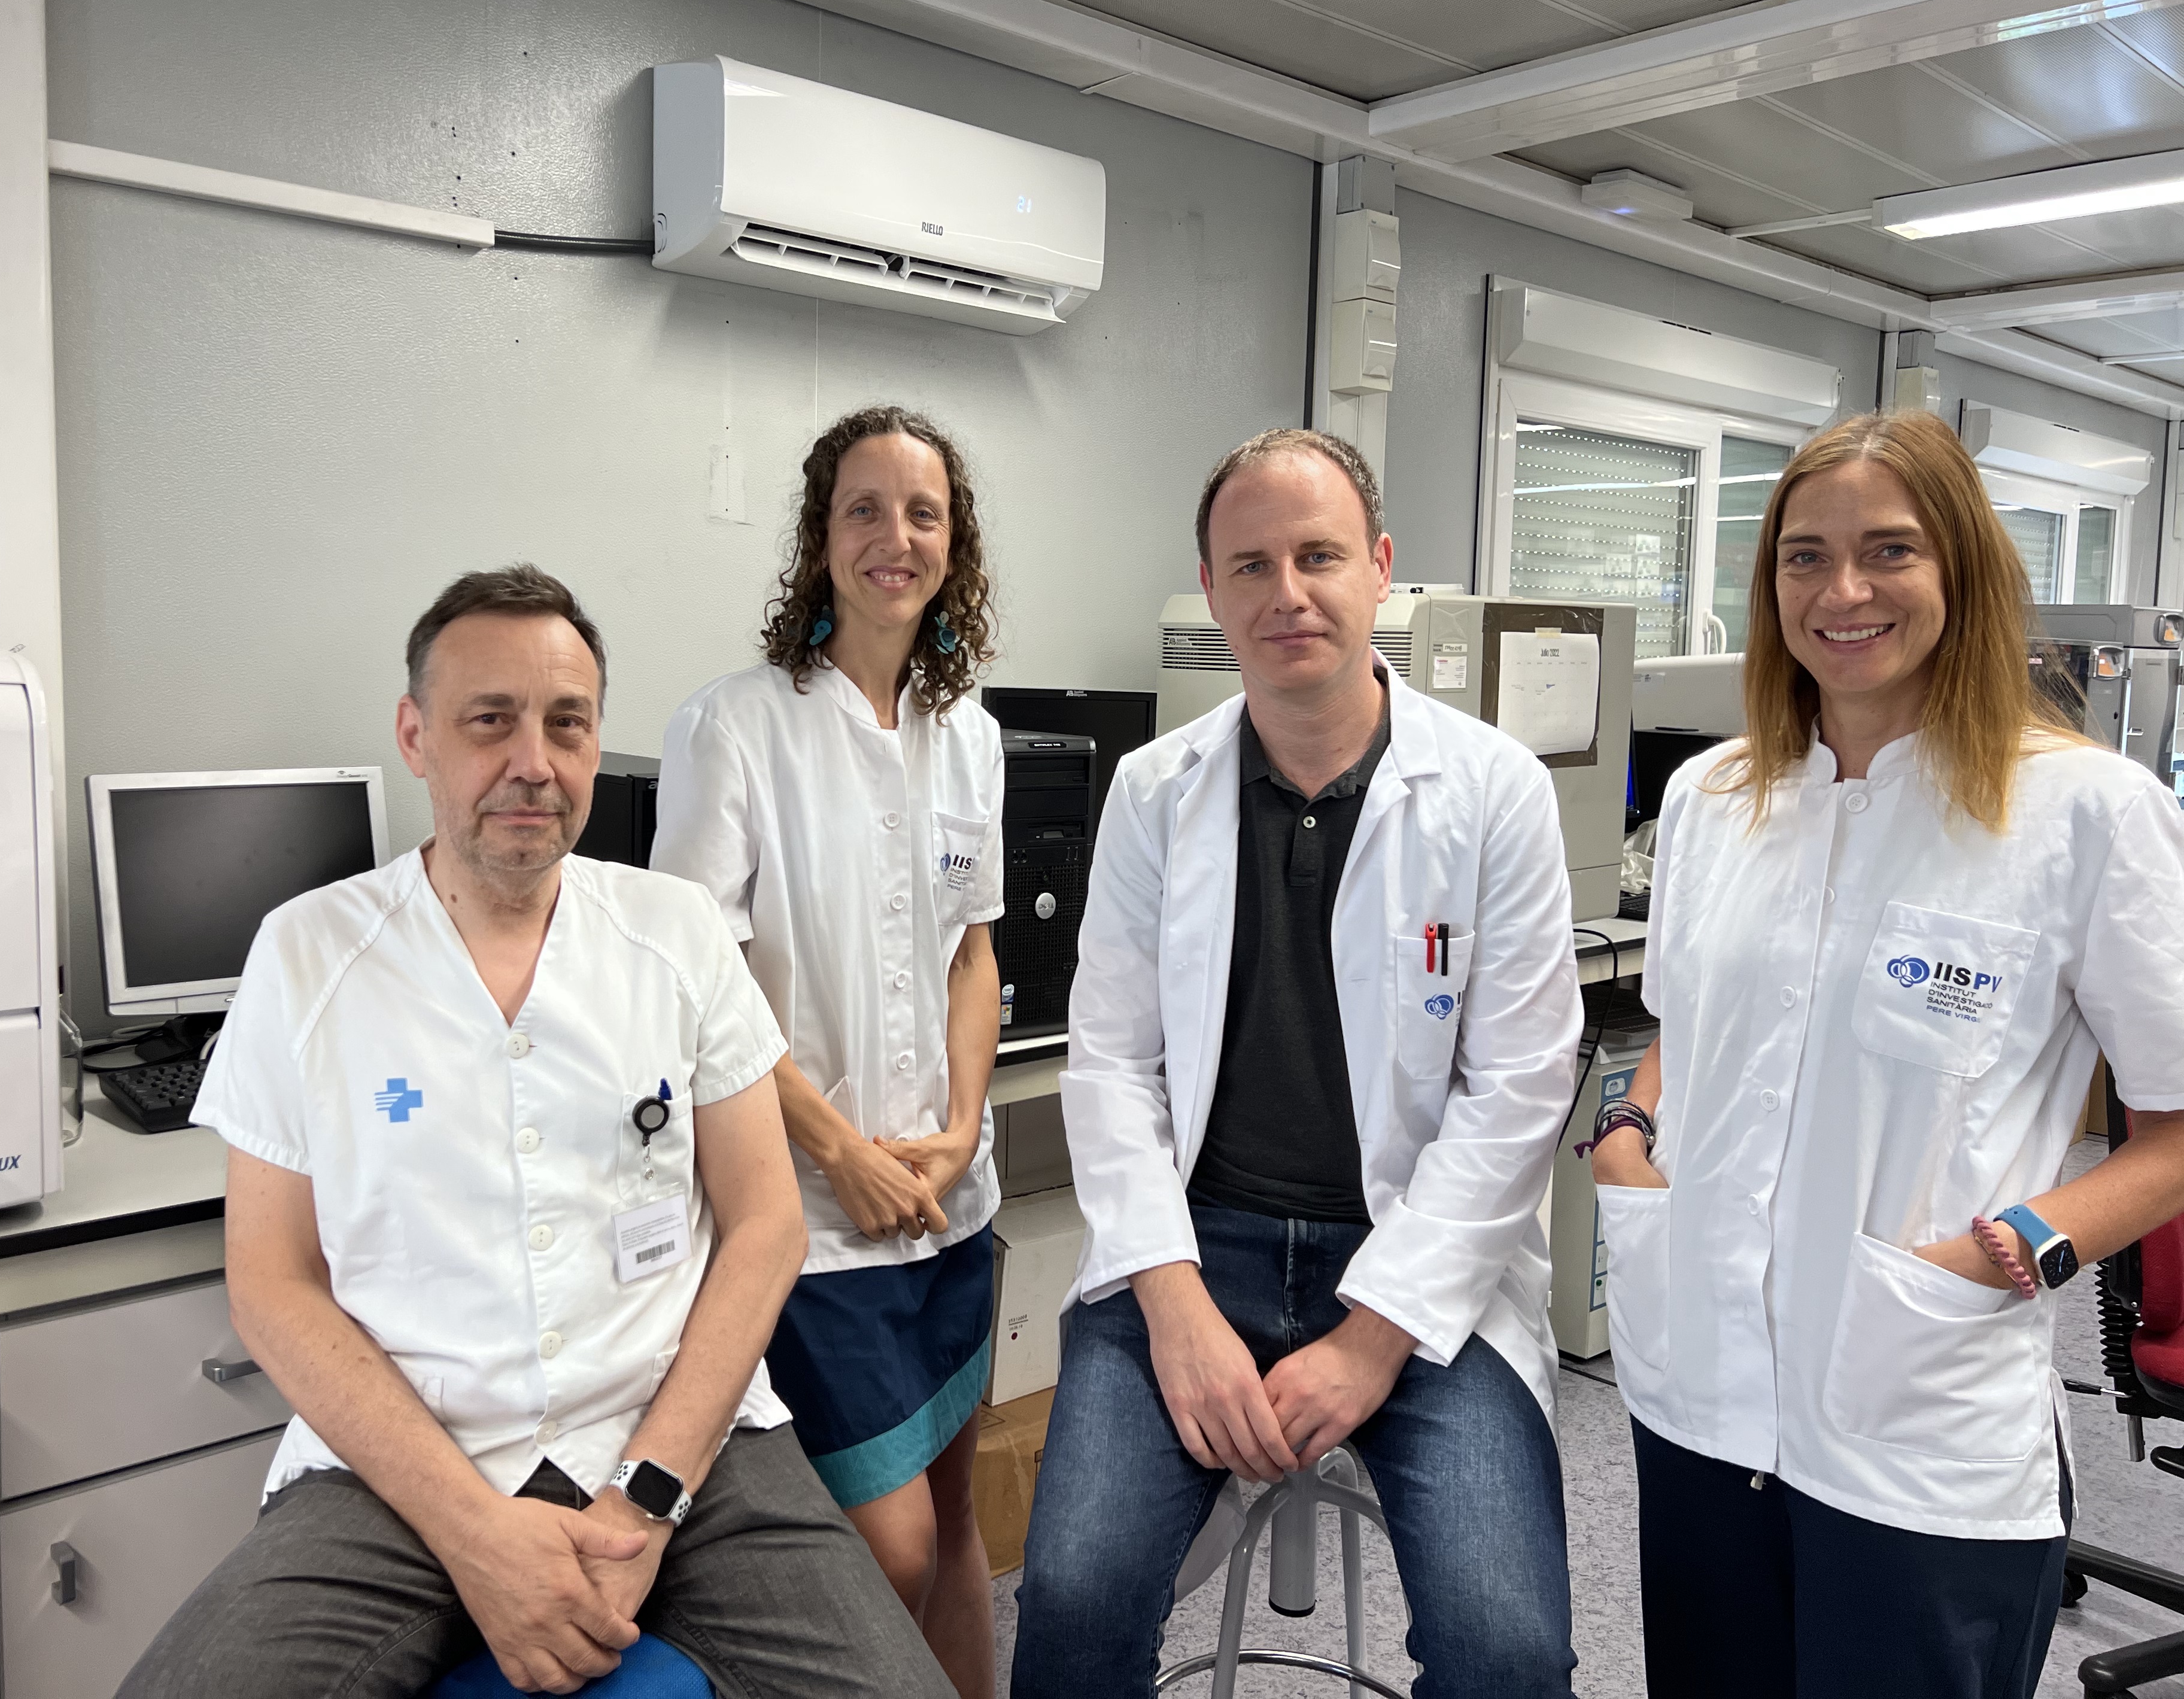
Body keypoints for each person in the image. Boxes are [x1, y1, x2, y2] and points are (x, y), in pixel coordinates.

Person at [120, 565, 955, 1699]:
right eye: (489, 721)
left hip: (679, 1439)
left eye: (567, 723)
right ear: (416, 737)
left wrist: (648, 1495)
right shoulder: (308, 956)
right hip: (403, 1466)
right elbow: (273, 1283)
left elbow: (766, 1227)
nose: (534, 761)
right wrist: (474, 1534)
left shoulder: (674, 933)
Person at [1590, 410, 2184, 1699]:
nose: (1843, 591)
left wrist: (2025, 1244)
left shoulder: (2086, 811)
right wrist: (1626, 1141)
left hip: (1918, 1410)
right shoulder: (1713, 797)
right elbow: (1686, 1029)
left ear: (1963, 569)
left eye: (1890, 551)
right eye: (1805, 556)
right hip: (1700, 1387)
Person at [1012, 429, 1582, 1698]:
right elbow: (1111, 1069)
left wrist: (1374, 1340)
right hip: (1191, 1248)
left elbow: (1520, 1093)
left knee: (1508, 1652)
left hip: (1420, 1268)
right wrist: (1174, 1311)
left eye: (1319, 556)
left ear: (1379, 568)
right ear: (1211, 592)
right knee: (1073, 1599)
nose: (1288, 593)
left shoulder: (1492, 790)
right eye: (1251, 565)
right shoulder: (1155, 792)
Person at [652, 408, 1004, 1699]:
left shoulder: (970, 734)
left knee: (957, 1520)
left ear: (953, 544)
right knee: (887, 1549)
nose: (894, 537)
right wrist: (842, 1153)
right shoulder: (733, 728)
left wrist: (959, 1130)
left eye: (923, 513)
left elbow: (974, 954)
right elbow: (698, 988)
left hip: (951, 1204)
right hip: (814, 1218)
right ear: (820, 538)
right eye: (864, 509)